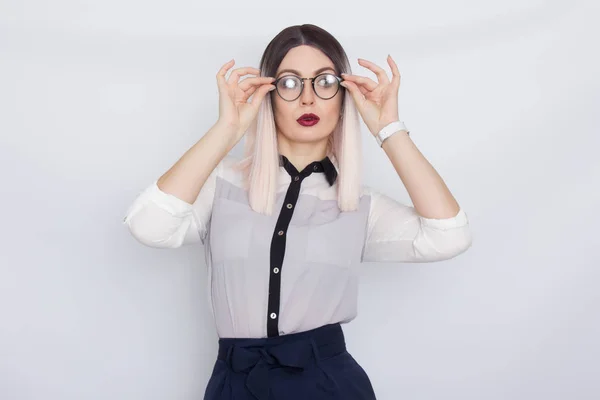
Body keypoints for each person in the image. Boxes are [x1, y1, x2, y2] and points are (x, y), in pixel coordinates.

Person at [123, 24, 472, 400]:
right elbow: (148, 226)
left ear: (344, 94)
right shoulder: (220, 186)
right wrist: (227, 129)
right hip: (235, 385)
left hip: (329, 386)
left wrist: (389, 129)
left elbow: (449, 236)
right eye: (290, 83)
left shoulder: (358, 205)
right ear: (269, 95)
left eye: (324, 82)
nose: (308, 99)